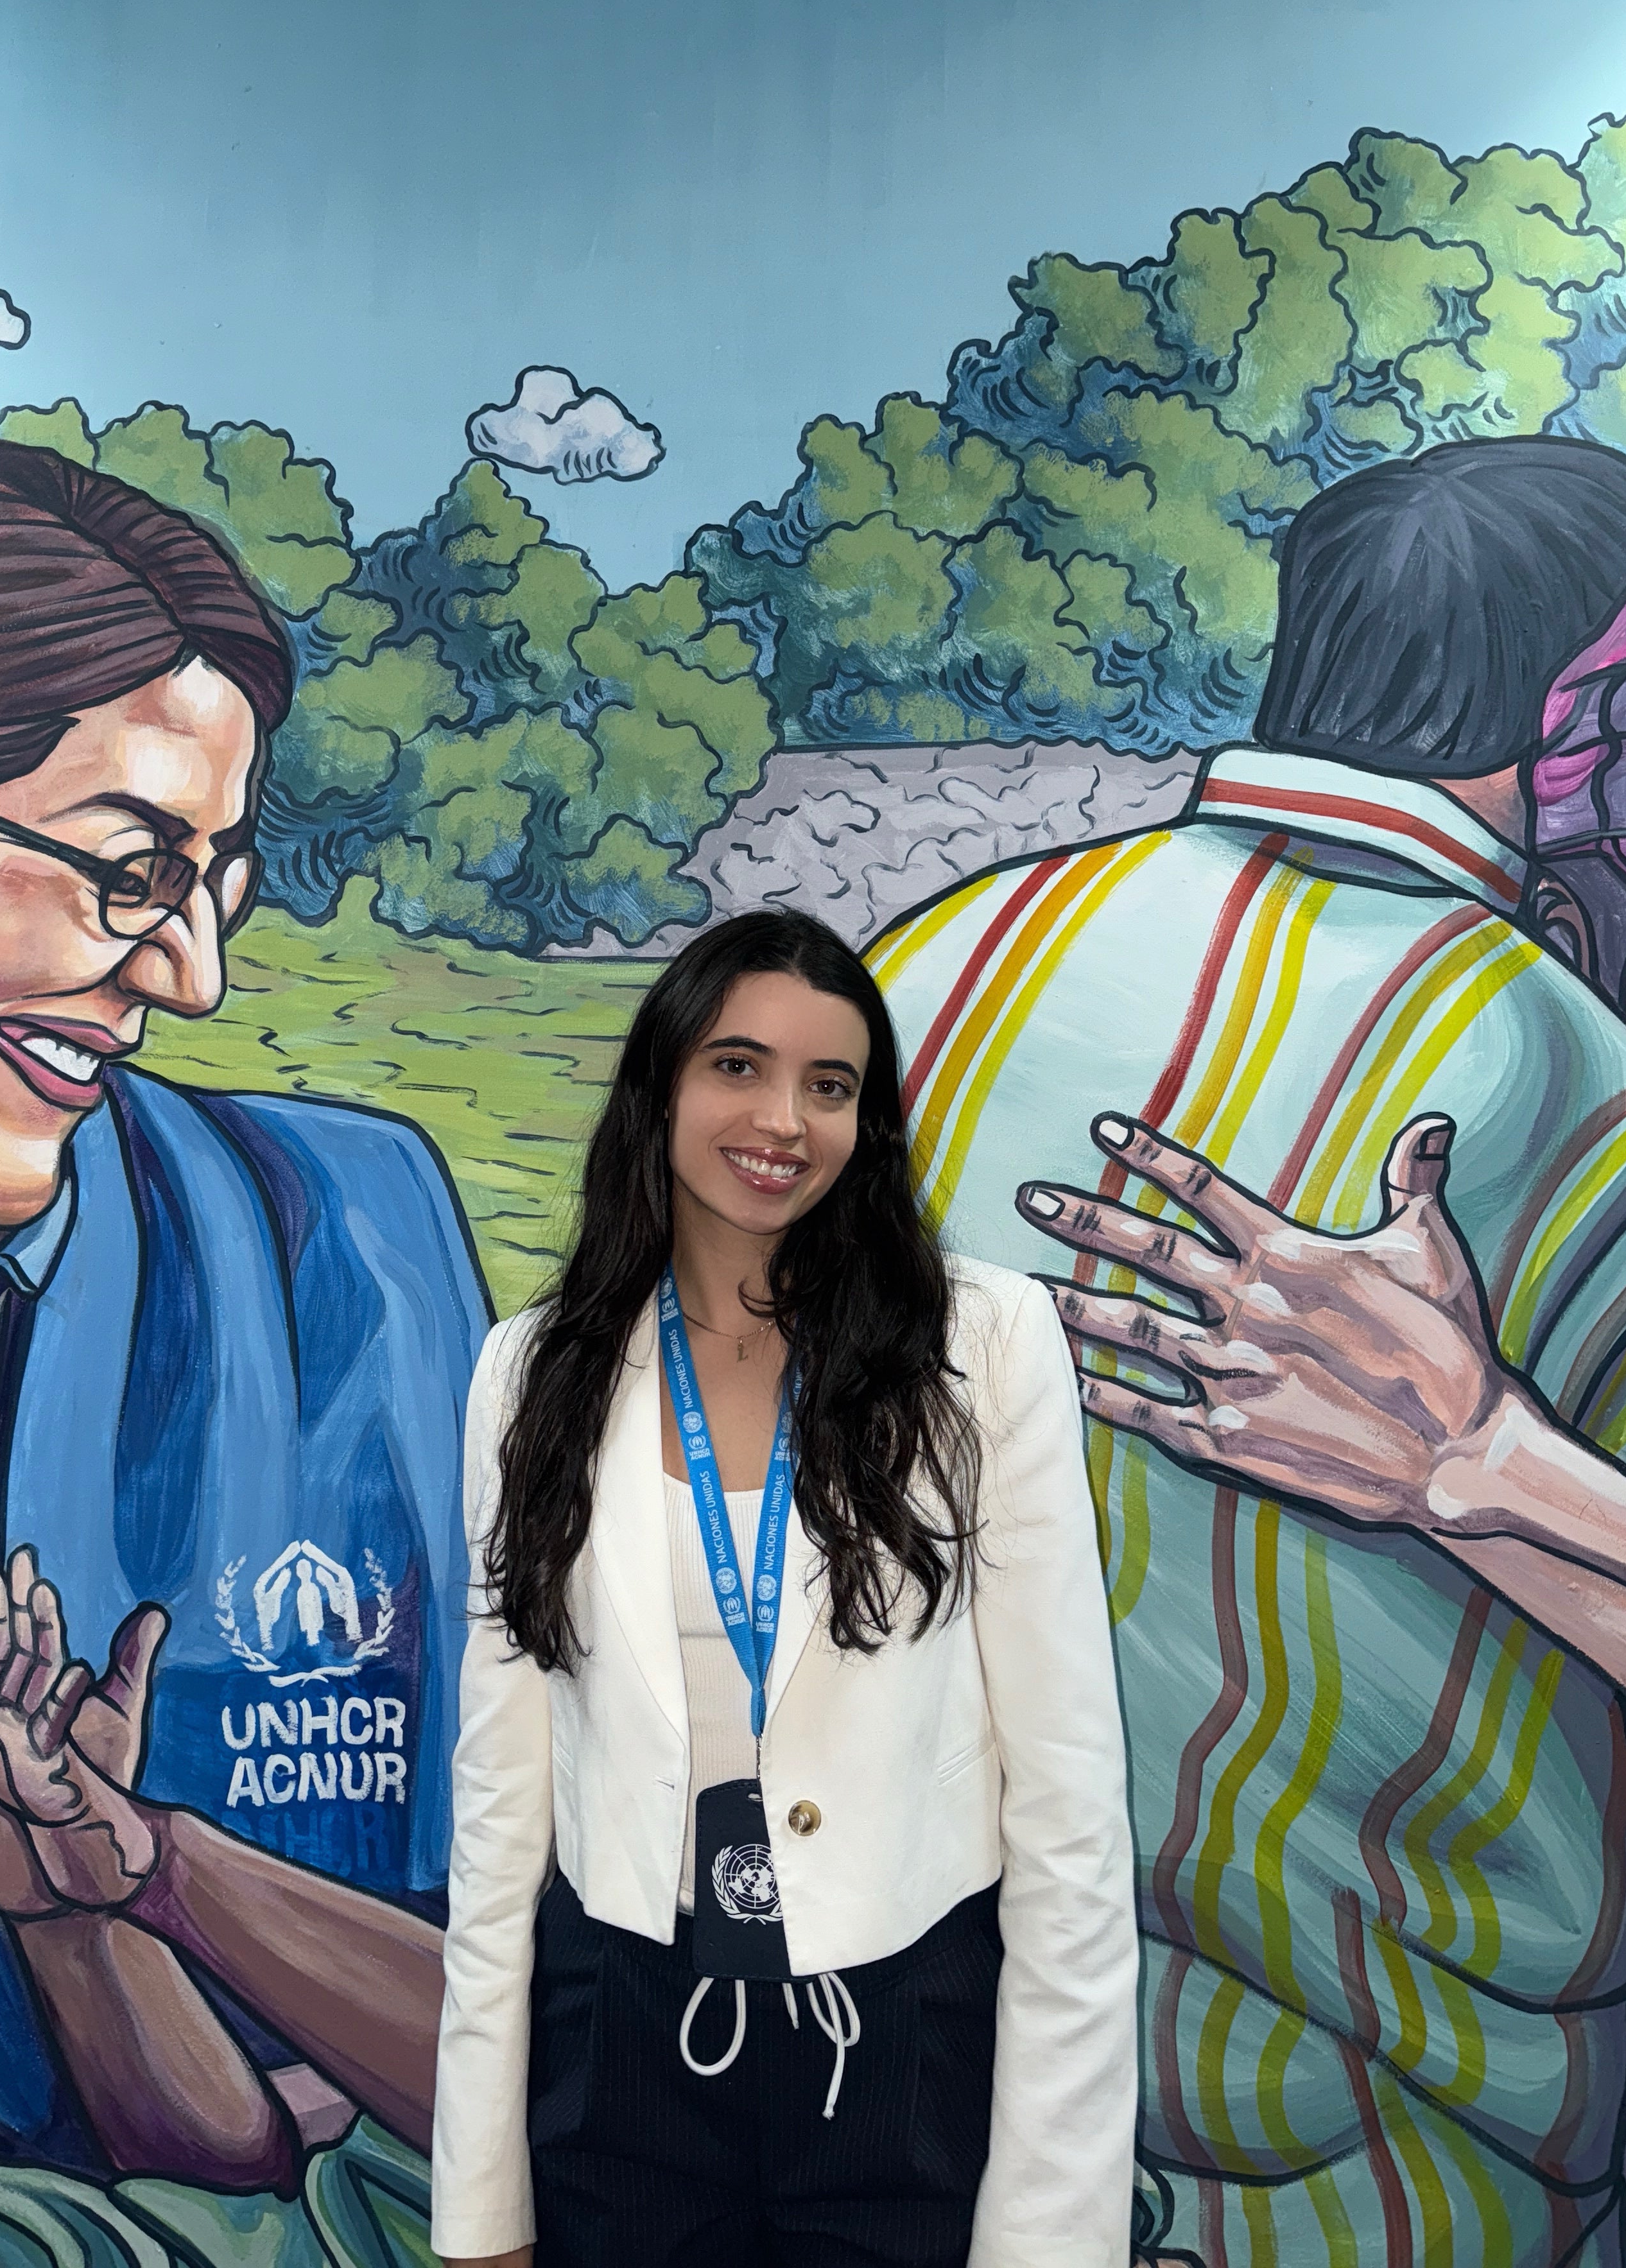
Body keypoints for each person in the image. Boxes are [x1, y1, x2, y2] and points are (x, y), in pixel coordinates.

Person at [869, 435, 1626, 2266]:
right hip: (1382, 2187)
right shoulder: (1611, 1108)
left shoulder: (923, 968)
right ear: (1589, 715)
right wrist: (1485, 1468)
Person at [0, 439, 485, 2240]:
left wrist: (145, 1888)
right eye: (126, 873)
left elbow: (538, 2035)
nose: (191, 979)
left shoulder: (349, 1246)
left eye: (218, 883)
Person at [429, 908, 1137, 2268]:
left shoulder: (979, 1346)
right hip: (623, 2021)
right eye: (739, 1066)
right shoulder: (534, 1373)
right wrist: (480, 2208)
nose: (784, 1120)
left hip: (903, 2027)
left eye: (832, 1085)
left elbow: (1068, 1803)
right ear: (663, 1087)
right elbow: (502, 1808)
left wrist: (1053, 2232)